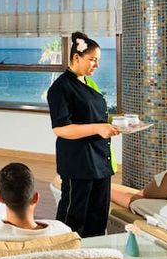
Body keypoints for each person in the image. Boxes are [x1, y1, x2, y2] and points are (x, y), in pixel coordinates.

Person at [47, 31, 119, 237]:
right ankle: (65, 252)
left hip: (100, 162)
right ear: (76, 57)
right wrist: (98, 128)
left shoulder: (88, 82)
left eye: (98, 60)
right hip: (78, 163)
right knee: (73, 219)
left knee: (98, 217)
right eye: (92, 60)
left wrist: (116, 124)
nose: (96, 65)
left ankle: (94, 252)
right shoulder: (60, 88)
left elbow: (94, 116)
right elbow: (60, 128)